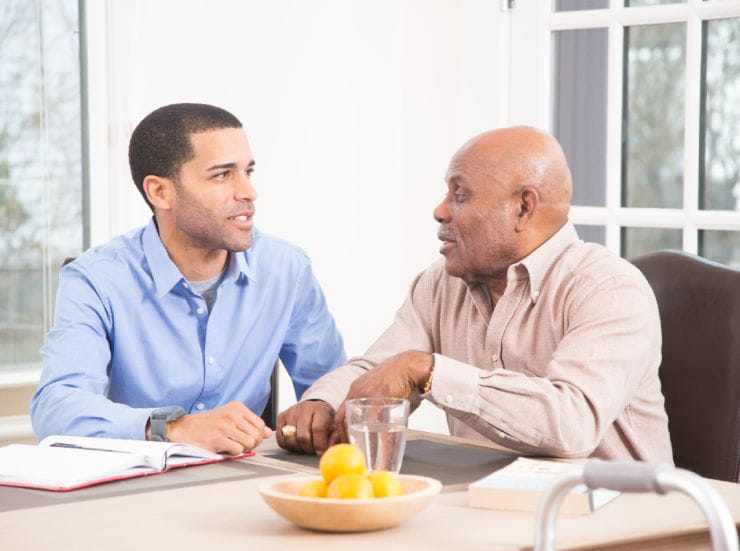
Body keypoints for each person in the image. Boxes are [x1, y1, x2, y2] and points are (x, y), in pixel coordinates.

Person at [277, 126, 673, 464]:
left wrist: (428, 370)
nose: (439, 211)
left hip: (618, 523)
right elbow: (381, 369)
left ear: (523, 207)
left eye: (460, 195)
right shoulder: (440, 283)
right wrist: (323, 404)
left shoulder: (609, 289)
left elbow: (571, 421)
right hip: (496, 509)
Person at [31, 103, 345, 454]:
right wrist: (173, 429)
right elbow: (56, 409)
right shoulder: (95, 279)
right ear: (160, 192)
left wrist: (321, 409)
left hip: (246, 480)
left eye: (248, 172)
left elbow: (333, 387)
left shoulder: (286, 268)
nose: (248, 193)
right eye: (223, 175)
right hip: (134, 487)